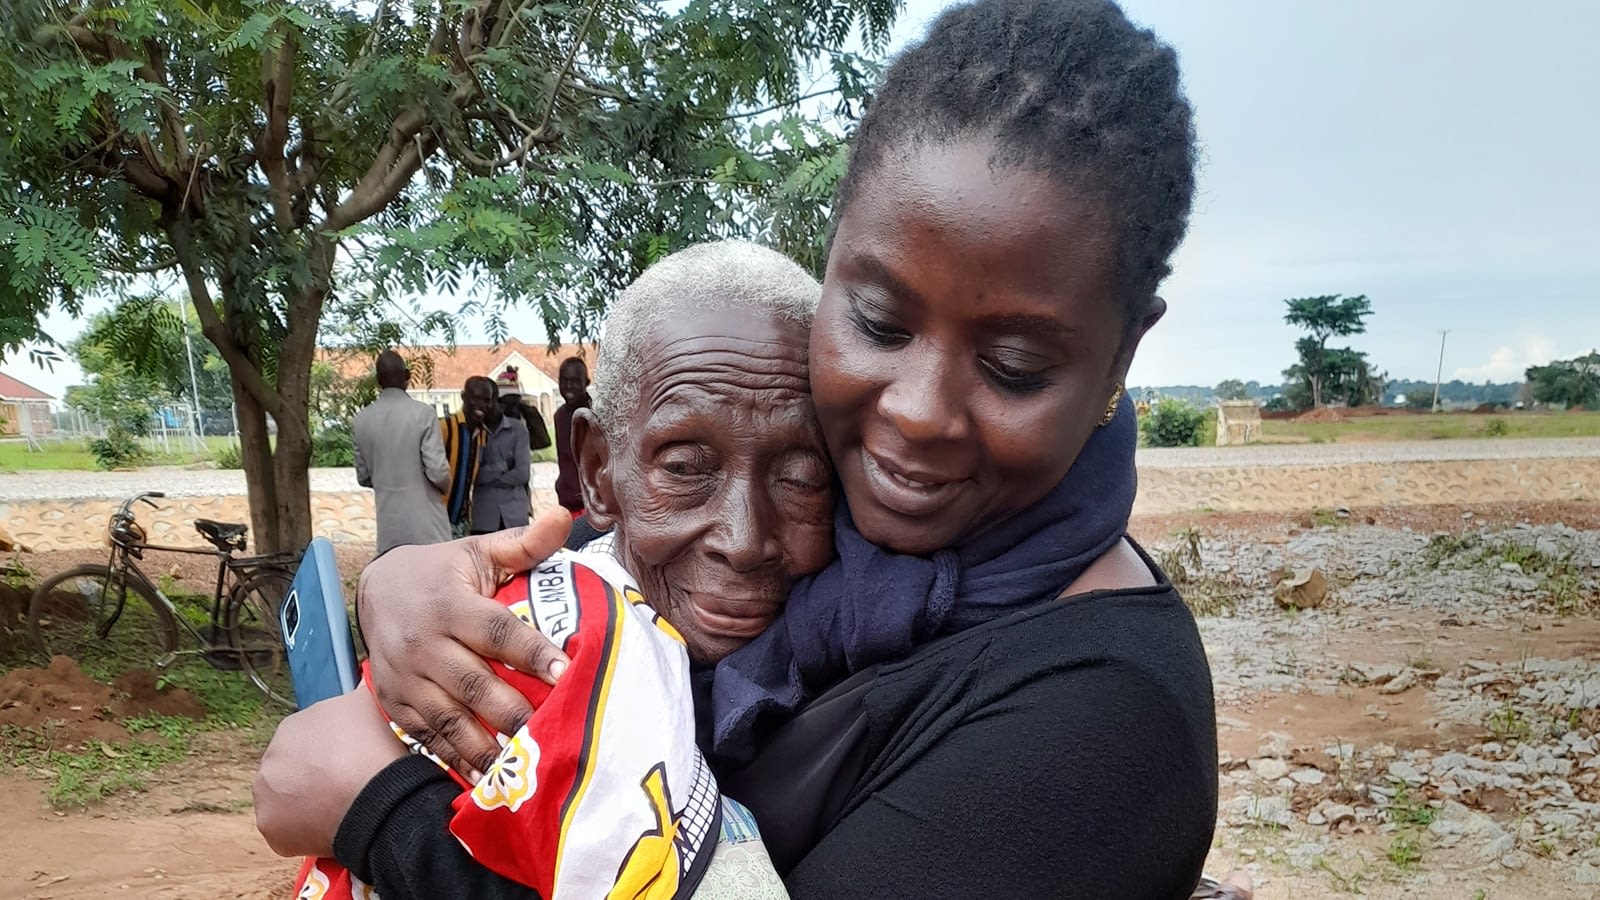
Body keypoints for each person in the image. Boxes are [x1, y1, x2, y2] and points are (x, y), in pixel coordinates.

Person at [259, 1, 1256, 896]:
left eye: (1013, 366)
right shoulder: (850, 561)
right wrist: (423, 593)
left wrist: (378, 809)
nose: (914, 411)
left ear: (1122, 351)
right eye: (876, 318)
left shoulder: (1097, 719)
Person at [264, 242, 835, 899]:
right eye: (684, 466)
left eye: (801, 476)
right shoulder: (529, 651)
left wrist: (380, 804)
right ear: (597, 471)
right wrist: (384, 585)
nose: (744, 538)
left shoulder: (857, 653)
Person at [351, 351, 451, 555]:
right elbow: (438, 471)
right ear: (407, 375)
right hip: (427, 525)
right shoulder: (423, 414)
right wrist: (446, 487)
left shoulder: (361, 420)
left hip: (389, 528)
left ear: (378, 380)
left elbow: (363, 477)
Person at [469, 373, 532, 534]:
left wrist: (487, 474)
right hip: (484, 518)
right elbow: (474, 475)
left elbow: (522, 474)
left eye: (488, 400)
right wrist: (503, 467)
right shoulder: (472, 431)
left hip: (514, 517)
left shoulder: (518, 430)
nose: (485, 406)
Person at [440, 376, 494, 538]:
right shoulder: (445, 427)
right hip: (439, 518)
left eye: (486, 400)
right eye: (475, 398)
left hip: (462, 520)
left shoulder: (482, 434)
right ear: (464, 397)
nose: (481, 405)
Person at [552, 356, 590, 518]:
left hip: (592, 503)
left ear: (586, 382)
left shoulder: (597, 415)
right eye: (564, 381)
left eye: (575, 381)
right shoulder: (560, 416)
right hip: (567, 502)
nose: (569, 387)